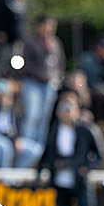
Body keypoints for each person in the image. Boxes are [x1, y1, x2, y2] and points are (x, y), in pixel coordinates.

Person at [37, 92, 102, 206]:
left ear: (77, 110)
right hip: (60, 180)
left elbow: (98, 155)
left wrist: (84, 169)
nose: (66, 112)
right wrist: (47, 168)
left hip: (79, 181)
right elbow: (46, 154)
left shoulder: (86, 129)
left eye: (69, 108)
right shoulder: (54, 130)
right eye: (62, 108)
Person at [20, 15, 64, 144]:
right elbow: (26, 64)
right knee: (32, 116)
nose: (48, 29)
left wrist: (56, 77)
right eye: (46, 25)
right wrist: (42, 75)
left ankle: (38, 149)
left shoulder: (55, 43)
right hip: (32, 83)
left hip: (50, 85)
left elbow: (60, 62)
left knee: (44, 119)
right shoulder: (30, 42)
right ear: (39, 26)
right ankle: (26, 147)